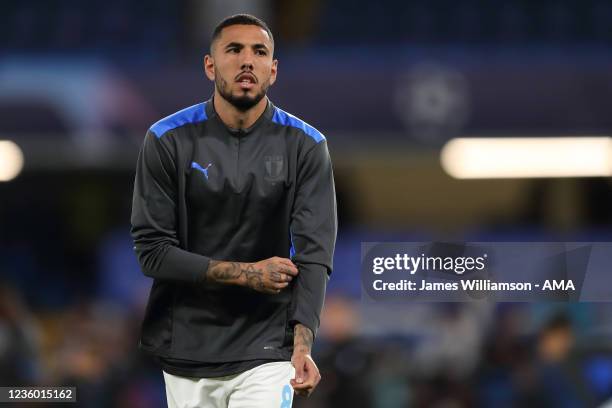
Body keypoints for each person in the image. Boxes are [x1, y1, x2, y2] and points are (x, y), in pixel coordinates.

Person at [130, 13, 337, 408]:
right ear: (210, 65)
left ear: (273, 70)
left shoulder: (306, 145)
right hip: (188, 348)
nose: (247, 61)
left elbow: (314, 254)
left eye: (259, 52)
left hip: (268, 347)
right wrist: (247, 274)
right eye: (234, 50)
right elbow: (152, 252)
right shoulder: (166, 139)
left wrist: (302, 342)